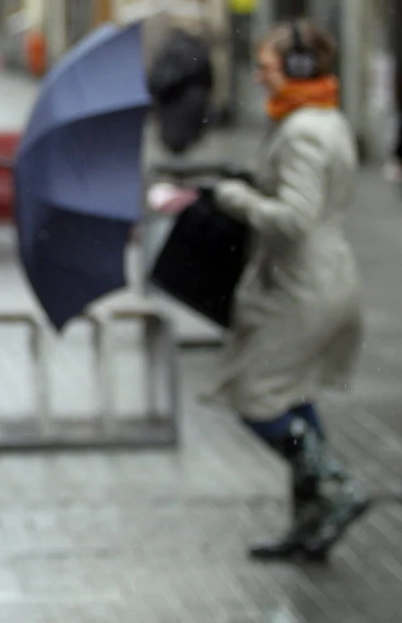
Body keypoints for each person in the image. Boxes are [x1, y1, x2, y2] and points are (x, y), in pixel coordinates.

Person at [207, 20, 370, 562]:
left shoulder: (301, 131)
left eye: (267, 64)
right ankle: (310, 519)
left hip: (299, 284)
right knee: (297, 395)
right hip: (327, 276)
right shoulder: (326, 119)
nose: (258, 74)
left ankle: (334, 483)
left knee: (257, 399)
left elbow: (295, 218)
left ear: (301, 67)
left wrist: (236, 198)